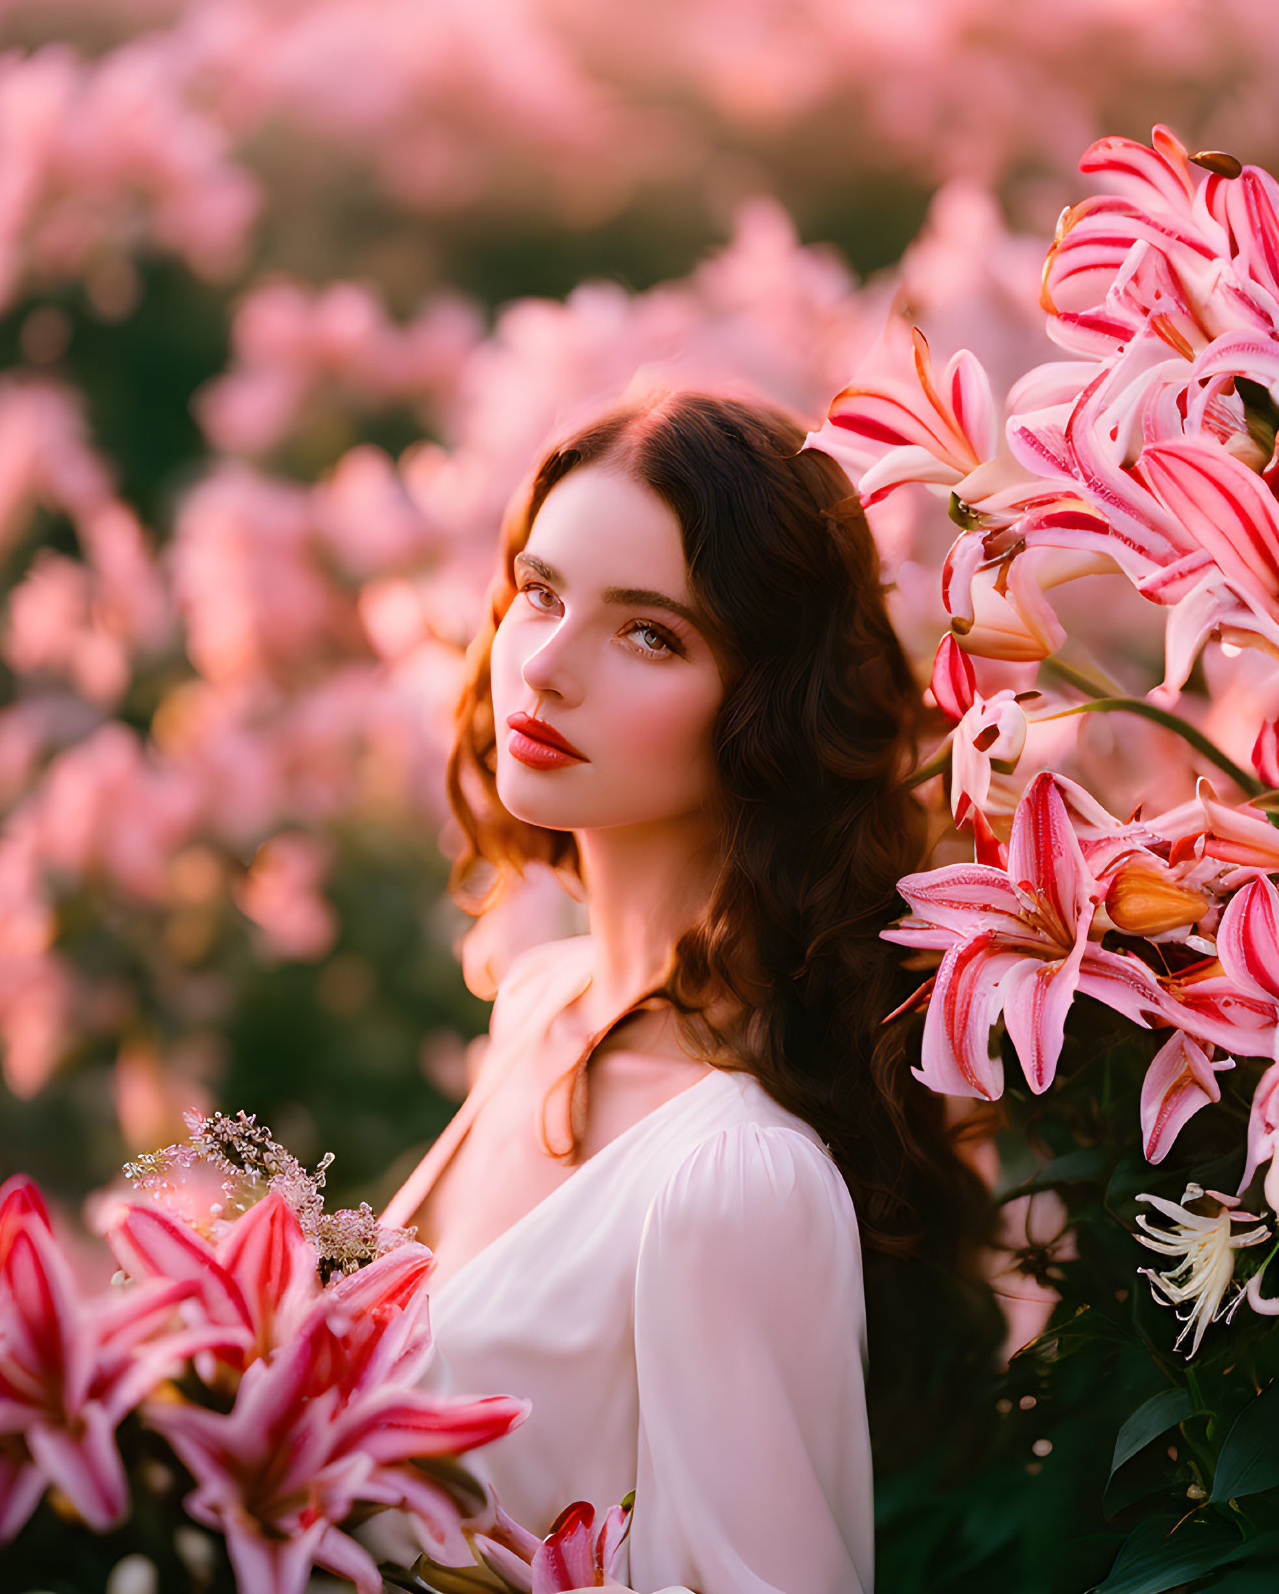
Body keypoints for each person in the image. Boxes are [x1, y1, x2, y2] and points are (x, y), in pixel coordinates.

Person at [380, 389, 996, 1594]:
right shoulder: (539, 1009)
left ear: (770, 710)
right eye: (541, 593)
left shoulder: (731, 1183)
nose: (546, 666)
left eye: (650, 632)